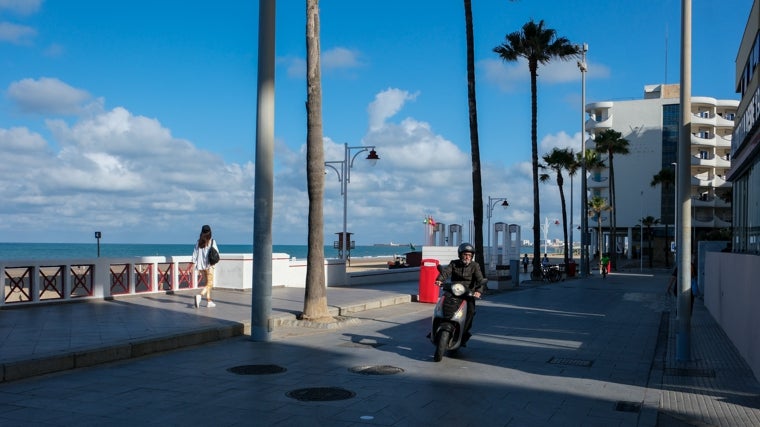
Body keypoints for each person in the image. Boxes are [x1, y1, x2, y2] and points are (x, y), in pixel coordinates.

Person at [435, 243, 487, 347]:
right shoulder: (454, 263)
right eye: (465, 254)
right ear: (460, 255)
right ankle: (437, 326)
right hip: (453, 290)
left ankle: (464, 334)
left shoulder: (475, 266)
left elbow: (480, 279)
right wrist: (439, 280)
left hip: (468, 293)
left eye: (469, 255)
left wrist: (478, 291)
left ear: (472, 256)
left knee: (471, 312)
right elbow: (446, 272)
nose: (467, 257)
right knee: (441, 304)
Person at [192, 224, 219, 308]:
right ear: (210, 232)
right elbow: (217, 252)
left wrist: (193, 264)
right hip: (209, 265)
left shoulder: (198, 242)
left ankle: (209, 301)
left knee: (207, 283)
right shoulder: (212, 241)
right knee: (210, 284)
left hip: (201, 266)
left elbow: (194, 254)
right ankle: (200, 295)